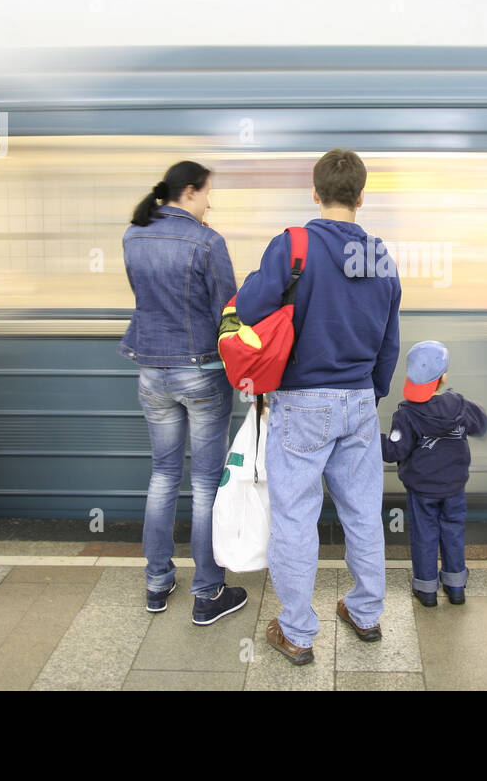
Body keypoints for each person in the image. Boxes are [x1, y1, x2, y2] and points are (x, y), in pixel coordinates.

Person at [237, 148, 402, 665]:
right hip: (357, 399)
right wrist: (369, 394)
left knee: (294, 517)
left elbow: (247, 310)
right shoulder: (379, 256)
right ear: (360, 195)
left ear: (315, 192)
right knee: (362, 514)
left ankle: (298, 633)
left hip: (302, 402)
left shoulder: (294, 245)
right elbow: (389, 341)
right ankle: (366, 613)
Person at [120, 161, 246, 624]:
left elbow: (147, 295)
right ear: (190, 191)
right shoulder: (207, 242)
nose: (210, 201)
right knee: (205, 483)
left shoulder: (133, 235)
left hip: (152, 370)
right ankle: (208, 591)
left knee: (162, 476)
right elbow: (227, 311)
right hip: (201, 372)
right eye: (208, 192)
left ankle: (157, 582)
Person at [381, 341, 487, 607]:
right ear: (443, 377)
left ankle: (426, 590)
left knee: (424, 534)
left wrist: (373, 438)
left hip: (421, 490)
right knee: (453, 532)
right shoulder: (460, 405)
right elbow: (481, 424)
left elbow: (394, 450)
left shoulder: (406, 415)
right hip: (454, 488)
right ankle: (455, 587)